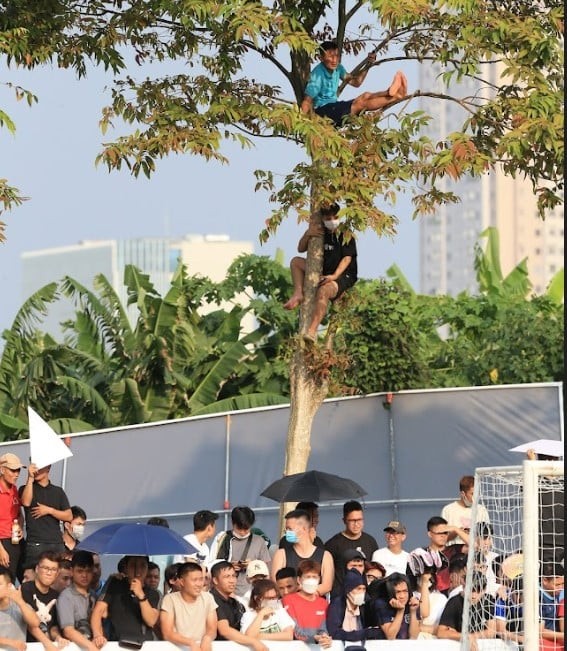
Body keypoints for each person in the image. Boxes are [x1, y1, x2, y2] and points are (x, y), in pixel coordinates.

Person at [283, 203, 358, 344]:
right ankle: (298, 293)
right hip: (323, 271)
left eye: (335, 217)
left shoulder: (346, 233)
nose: (332, 221)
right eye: (328, 218)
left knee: (323, 291)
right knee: (295, 262)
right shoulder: (320, 231)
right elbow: (300, 248)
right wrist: (307, 234)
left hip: (343, 276)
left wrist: (334, 277)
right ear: (323, 218)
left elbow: (347, 258)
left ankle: (311, 331)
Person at [300, 40, 408, 128]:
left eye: (336, 56)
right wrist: (304, 125)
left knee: (365, 96)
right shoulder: (317, 75)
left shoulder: (338, 68)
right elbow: (307, 101)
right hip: (323, 112)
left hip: (333, 108)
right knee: (360, 104)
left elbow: (356, 82)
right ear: (321, 58)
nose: (334, 60)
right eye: (330, 56)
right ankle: (392, 93)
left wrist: (368, 64)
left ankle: (394, 94)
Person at [90, 555, 160, 645]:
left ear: (147, 568)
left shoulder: (153, 593)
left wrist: (141, 595)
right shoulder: (114, 583)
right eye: (133, 565)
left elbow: (151, 621)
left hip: (143, 645)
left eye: (142, 565)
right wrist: (97, 635)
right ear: (126, 568)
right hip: (116, 644)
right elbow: (98, 612)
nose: (138, 570)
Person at [19, 463, 72, 569]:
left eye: (40, 466)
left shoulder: (58, 491)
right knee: (34, 577)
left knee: (57, 578)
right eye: (34, 466)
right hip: (35, 543)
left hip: (56, 543)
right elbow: (25, 502)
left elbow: (69, 516)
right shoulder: (25, 488)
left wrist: (50, 510)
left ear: (48, 467)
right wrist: (30, 478)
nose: (36, 470)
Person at [271, 509, 334, 596]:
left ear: (304, 528)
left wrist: (304, 592)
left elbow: (327, 585)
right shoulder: (281, 554)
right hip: (288, 605)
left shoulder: (325, 556)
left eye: (290, 529)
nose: (286, 532)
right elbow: (275, 582)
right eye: (286, 529)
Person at [211, 506, 271, 597]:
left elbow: (266, 569)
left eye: (246, 529)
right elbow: (212, 564)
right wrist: (229, 566)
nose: (243, 532)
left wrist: (253, 564)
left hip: (252, 593)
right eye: (239, 529)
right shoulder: (223, 538)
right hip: (226, 593)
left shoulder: (259, 541)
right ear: (232, 523)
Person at [209, 560, 268, 651]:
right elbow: (225, 630)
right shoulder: (211, 599)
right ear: (215, 580)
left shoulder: (236, 603)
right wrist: (253, 641)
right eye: (227, 577)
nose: (232, 580)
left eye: (234, 576)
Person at [325, 500, 378, 597]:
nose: (356, 524)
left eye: (360, 520)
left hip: (365, 596)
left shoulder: (370, 541)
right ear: (344, 520)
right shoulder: (333, 544)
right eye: (352, 520)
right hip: (341, 596)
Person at [159, 561, 217, 650]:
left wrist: (207, 638)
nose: (199, 584)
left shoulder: (208, 598)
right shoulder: (169, 600)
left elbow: (212, 628)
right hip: (177, 646)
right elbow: (167, 633)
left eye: (201, 579)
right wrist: (190, 643)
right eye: (194, 580)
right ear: (182, 582)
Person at [282, 559, 333, 648]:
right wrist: (314, 638)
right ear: (299, 580)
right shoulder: (288, 600)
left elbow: (323, 629)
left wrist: (324, 637)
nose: (311, 580)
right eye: (308, 577)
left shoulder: (323, 603)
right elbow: (295, 631)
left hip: (318, 647)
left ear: (319, 579)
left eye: (314, 577)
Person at [20, 551, 66, 648]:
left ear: (57, 573)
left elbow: (53, 626)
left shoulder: (56, 596)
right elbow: (30, 624)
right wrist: (47, 643)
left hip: (48, 646)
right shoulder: (25, 589)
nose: (49, 573)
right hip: (27, 646)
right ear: (37, 569)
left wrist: (58, 637)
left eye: (53, 569)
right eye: (45, 568)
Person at [437, 573, 496, 647]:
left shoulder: (488, 600)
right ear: (463, 587)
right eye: (471, 591)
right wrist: (466, 637)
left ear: (484, 590)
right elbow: (441, 632)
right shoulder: (454, 602)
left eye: (478, 591)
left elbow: (491, 631)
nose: (474, 596)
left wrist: (472, 637)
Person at [56, 550, 98, 651]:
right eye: (80, 571)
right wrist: (91, 646)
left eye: (88, 571)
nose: (84, 575)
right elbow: (68, 631)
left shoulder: (94, 596)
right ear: (71, 571)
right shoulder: (66, 597)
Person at [326, 567, 381, 643]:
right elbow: (334, 633)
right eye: (358, 589)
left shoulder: (366, 605)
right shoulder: (337, 604)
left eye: (364, 589)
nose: (362, 592)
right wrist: (364, 633)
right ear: (348, 590)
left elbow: (376, 631)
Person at [366, 571, 421, 639]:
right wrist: (400, 611)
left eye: (405, 591)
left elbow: (414, 636)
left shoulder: (412, 603)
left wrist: (413, 612)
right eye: (398, 592)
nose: (402, 596)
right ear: (391, 592)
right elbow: (390, 636)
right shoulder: (381, 604)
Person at [0, 565, 42, 651]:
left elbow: (35, 623)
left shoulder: (19, 606)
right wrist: (10, 642)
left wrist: (20, 601)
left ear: (9, 586)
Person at [441, 475, 490, 546]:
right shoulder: (448, 510)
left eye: (477, 493)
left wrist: (475, 534)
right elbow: (442, 540)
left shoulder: (481, 510)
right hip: (455, 554)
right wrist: (457, 532)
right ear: (463, 494)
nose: (475, 497)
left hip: (476, 553)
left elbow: (488, 538)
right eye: (472, 494)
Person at [0, 454, 25, 583]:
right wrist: (1, 550)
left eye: (18, 470)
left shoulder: (14, 489)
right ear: (2, 469)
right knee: (6, 583)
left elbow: (19, 514)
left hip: (16, 540)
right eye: (13, 470)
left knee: (26, 576)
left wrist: (20, 526)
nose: (16, 474)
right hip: (3, 542)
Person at [539, 562, 564, 648]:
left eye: (563, 584)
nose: (561, 588)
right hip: (543, 644)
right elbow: (540, 631)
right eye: (557, 585)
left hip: (556, 643)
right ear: (545, 581)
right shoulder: (537, 599)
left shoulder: (555, 594)